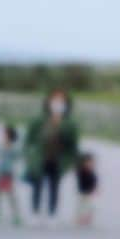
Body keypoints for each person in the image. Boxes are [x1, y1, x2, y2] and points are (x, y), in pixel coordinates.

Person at [23, 89, 79, 223]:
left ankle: (52, 214)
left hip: (58, 159)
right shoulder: (39, 120)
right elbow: (29, 140)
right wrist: (29, 156)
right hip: (40, 158)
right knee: (38, 185)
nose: (58, 104)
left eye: (61, 101)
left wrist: (71, 161)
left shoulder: (69, 123)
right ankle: (35, 213)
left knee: (54, 187)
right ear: (49, 102)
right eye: (55, 100)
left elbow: (72, 144)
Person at [0, 124, 23, 226]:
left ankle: (16, 216)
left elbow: (17, 157)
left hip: (7, 173)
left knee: (10, 194)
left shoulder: (13, 146)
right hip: (0, 172)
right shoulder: (2, 144)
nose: (3, 135)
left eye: (4, 133)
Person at [74, 150, 99, 227]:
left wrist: (96, 189)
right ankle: (79, 218)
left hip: (90, 192)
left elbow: (95, 182)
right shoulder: (81, 172)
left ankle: (87, 218)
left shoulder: (92, 173)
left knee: (91, 206)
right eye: (88, 162)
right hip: (82, 192)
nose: (90, 164)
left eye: (91, 163)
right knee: (81, 206)